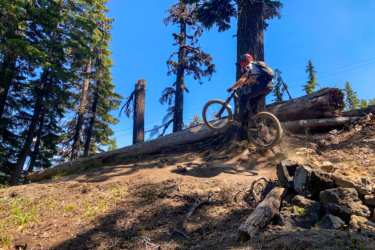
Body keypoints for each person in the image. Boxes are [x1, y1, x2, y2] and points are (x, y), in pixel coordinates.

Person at [227, 54, 274, 126]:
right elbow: (253, 78)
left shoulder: (249, 66)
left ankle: (239, 121)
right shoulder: (256, 66)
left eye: (242, 63)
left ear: (246, 61)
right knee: (253, 101)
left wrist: (231, 88)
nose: (241, 65)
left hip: (262, 85)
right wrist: (245, 84)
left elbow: (242, 79)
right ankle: (257, 122)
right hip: (270, 86)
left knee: (243, 98)